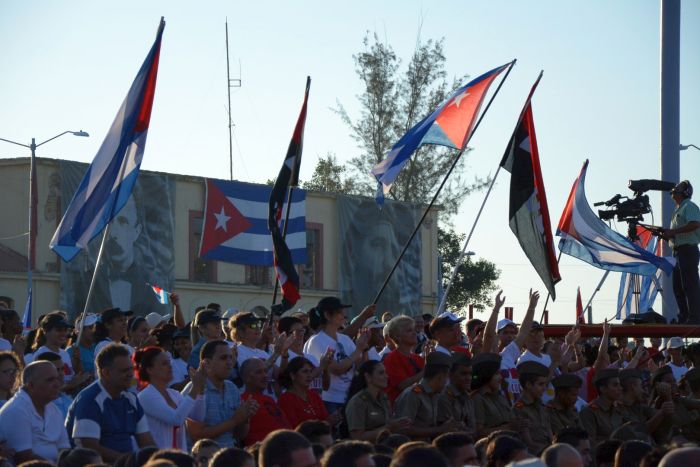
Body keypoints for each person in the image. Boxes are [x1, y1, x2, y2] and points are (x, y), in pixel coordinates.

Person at [66, 343, 155, 463]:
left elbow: (147, 443)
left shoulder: (131, 398)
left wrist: (159, 460)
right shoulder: (90, 400)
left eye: (131, 369)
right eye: (124, 371)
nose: (131, 375)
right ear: (106, 373)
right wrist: (129, 461)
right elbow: (89, 448)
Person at [184, 340, 258, 448]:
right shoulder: (195, 389)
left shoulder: (232, 388)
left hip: (230, 453)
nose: (229, 362)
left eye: (231, 357)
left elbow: (239, 435)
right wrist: (234, 420)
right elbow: (196, 436)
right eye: (223, 358)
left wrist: (245, 417)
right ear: (207, 363)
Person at [303, 297, 369, 413]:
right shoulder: (317, 341)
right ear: (328, 315)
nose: (343, 316)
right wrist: (358, 350)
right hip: (331, 400)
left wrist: (364, 348)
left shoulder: (345, 339)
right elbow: (336, 369)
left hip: (350, 396)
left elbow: (361, 367)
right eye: (339, 312)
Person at [134, 346, 206, 449]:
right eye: (164, 363)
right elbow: (176, 419)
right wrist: (195, 388)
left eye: (169, 362)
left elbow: (198, 417)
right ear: (150, 369)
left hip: (179, 458)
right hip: (158, 461)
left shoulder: (174, 394)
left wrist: (201, 391)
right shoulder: (146, 396)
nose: (170, 366)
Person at [0, 361, 70, 463]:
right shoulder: (16, 411)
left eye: (57, 379)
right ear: (31, 386)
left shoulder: (53, 409)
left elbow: (64, 450)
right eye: (50, 380)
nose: (57, 384)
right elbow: (24, 457)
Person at [394, 351, 463, 440]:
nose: (447, 382)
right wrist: (439, 430)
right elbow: (403, 429)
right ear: (440, 377)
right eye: (447, 378)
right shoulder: (413, 395)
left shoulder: (436, 395)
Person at [658, 180, 700, 324]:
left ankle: (694, 318)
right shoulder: (679, 209)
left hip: (688, 250)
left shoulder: (689, 206)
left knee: (690, 285)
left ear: (685, 192)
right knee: (678, 287)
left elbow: (695, 224)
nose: (675, 189)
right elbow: (679, 233)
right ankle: (684, 317)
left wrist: (673, 232)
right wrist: (667, 235)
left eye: (679, 187)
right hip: (678, 252)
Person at [344, 360, 410, 441]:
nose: (386, 376)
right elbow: (357, 437)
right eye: (381, 373)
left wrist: (400, 424)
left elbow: (389, 421)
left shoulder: (383, 398)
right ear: (368, 377)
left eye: (385, 372)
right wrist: (389, 428)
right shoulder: (358, 402)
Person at [241, 358, 291, 445]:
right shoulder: (243, 401)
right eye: (259, 372)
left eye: (265, 371)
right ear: (247, 378)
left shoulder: (269, 399)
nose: (265, 375)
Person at [276, 316, 329, 394]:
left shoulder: (311, 357)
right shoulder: (282, 359)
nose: (301, 335)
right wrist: (321, 367)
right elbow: (289, 383)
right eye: (296, 332)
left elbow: (325, 387)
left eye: (302, 331)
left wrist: (326, 368)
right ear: (285, 335)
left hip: (316, 402)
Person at [278, 356, 332, 429]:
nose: (309, 375)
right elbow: (292, 430)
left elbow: (325, 420)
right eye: (305, 371)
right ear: (292, 375)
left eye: (311, 371)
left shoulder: (314, 395)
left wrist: (331, 421)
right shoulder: (285, 399)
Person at [618, 368, 670, 441]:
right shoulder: (618, 408)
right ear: (633, 386)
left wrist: (666, 396)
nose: (643, 391)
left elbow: (665, 415)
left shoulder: (637, 405)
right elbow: (640, 430)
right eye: (641, 386)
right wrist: (662, 412)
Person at [513, 361, 553, 454]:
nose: (544, 388)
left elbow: (549, 432)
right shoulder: (519, 408)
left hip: (548, 452)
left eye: (545, 384)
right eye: (540, 384)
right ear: (528, 385)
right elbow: (528, 443)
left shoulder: (542, 406)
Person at [382, 316, 424, 403]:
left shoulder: (418, 359)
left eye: (414, 330)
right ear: (397, 336)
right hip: (400, 408)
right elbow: (402, 385)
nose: (414, 333)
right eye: (409, 331)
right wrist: (426, 370)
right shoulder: (391, 359)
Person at [471, 352, 514, 438]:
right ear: (487, 375)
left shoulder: (500, 396)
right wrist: (508, 427)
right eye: (496, 374)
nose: (500, 378)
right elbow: (479, 433)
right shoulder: (478, 399)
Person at [579, 369, 624, 446]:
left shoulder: (619, 408)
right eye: (615, 385)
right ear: (603, 389)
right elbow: (590, 442)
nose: (620, 388)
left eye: (619, 385)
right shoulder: (589, 412)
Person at [437, 352, 476, 436]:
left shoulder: (467, 397)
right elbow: (449, 432)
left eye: (470, 374)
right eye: (463, 374)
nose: (468, 378)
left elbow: (474, 430)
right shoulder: (443, 397)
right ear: (450, 375)